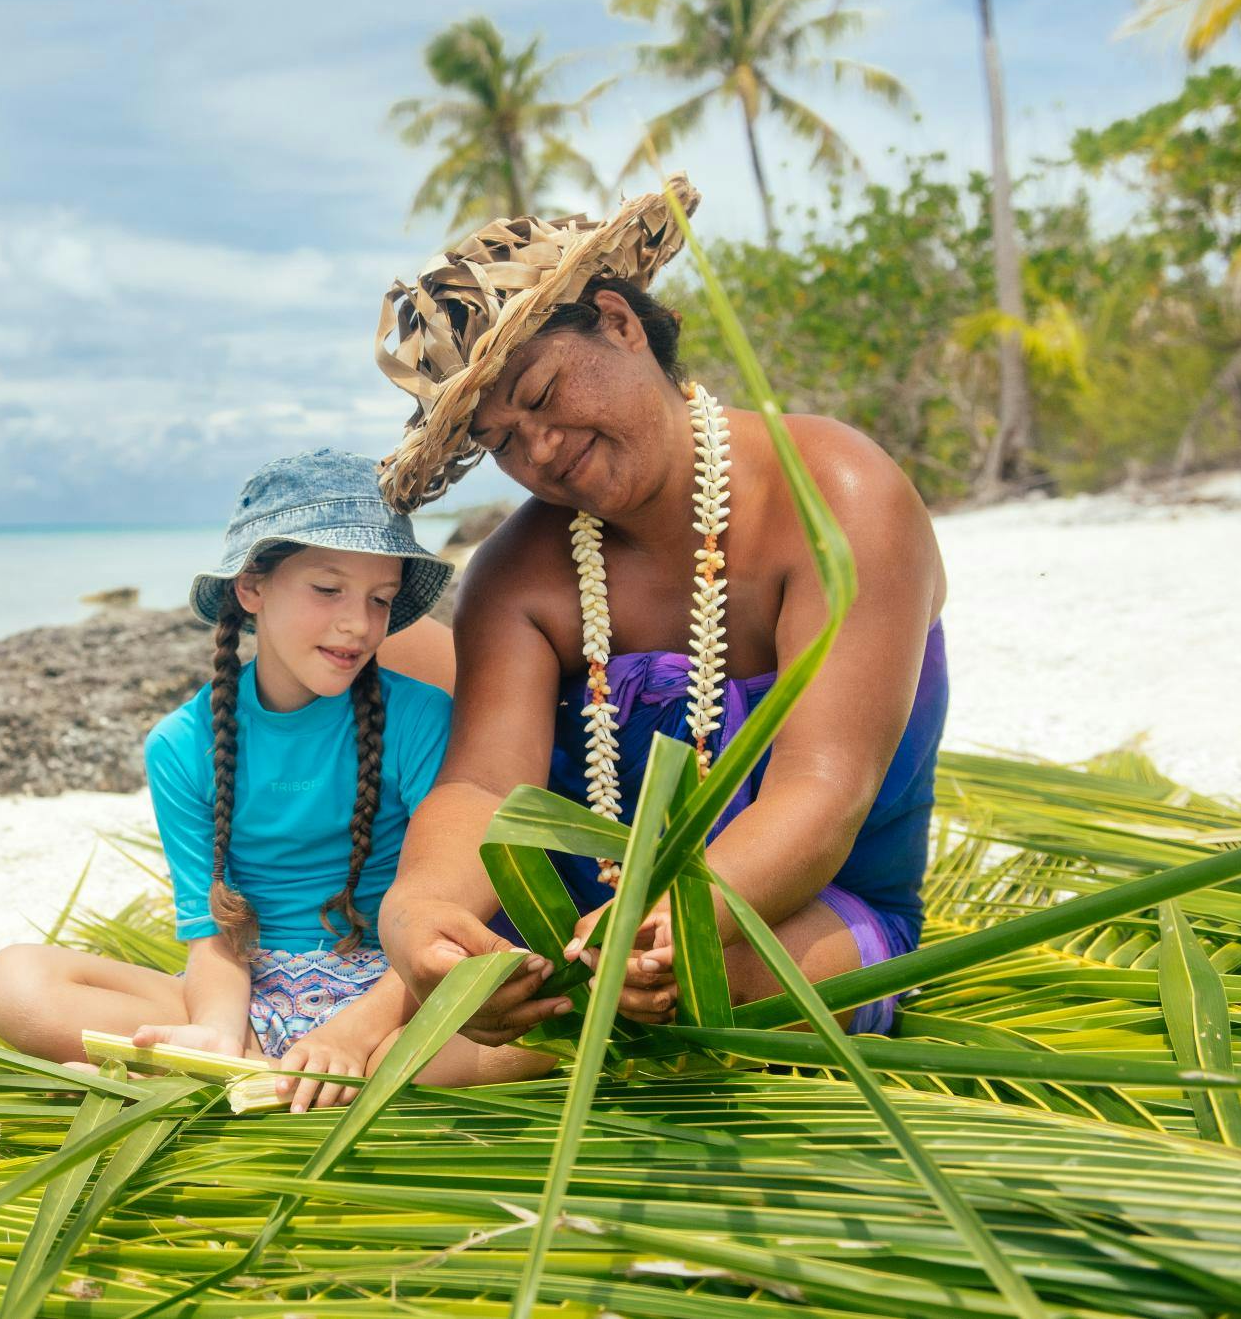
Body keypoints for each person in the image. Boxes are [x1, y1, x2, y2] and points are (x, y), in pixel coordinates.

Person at [370, 178, 949, 1051]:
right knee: (450, 1039)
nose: (542, 451)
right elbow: (485, 783)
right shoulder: (516, 576)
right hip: (577, 938)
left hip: (808, 918)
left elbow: (824, 788)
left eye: (542, 393)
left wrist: (686, 918)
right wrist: (419, 911)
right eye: (502, 441)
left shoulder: (839, 495)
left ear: (619, 321)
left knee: (696, 1003)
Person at [0, 450, 541, 1110]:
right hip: (252, 997)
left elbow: (444, 912)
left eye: (380, 599)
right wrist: (215, 1030)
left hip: (398, 993)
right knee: (13, 981)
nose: (357, 624)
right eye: (327, 590)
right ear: (252, 587)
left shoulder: (418, 719)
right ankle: (256, 1064)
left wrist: (355, 1029)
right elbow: (212, 934)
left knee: (529, 1033)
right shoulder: (181, 747)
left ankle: (337, 1070)